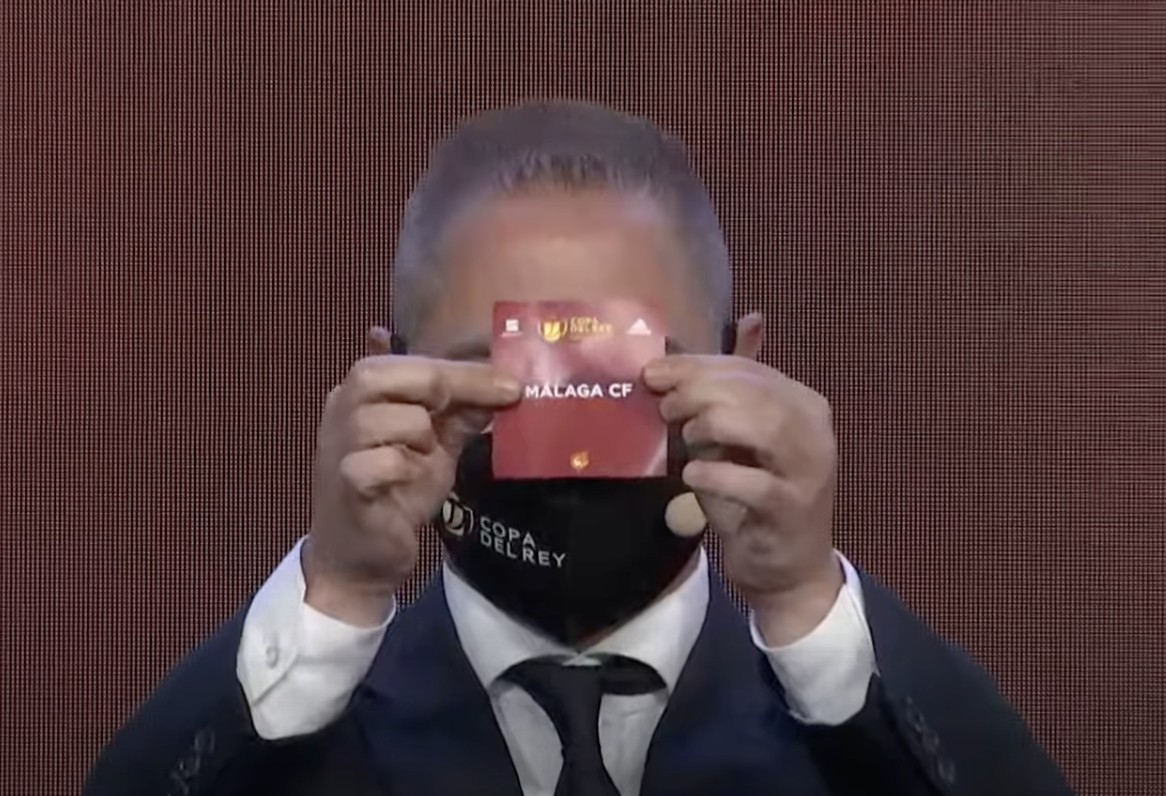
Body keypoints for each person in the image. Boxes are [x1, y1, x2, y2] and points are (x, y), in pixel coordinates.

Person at [82, 100, 1076, 796]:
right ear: (389, 378)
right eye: (492, 376)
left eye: (629, 377)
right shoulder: (283, 736)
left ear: (742, 366)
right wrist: (335, 591)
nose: (564, 441)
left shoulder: (858, 733)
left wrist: (805, 601)